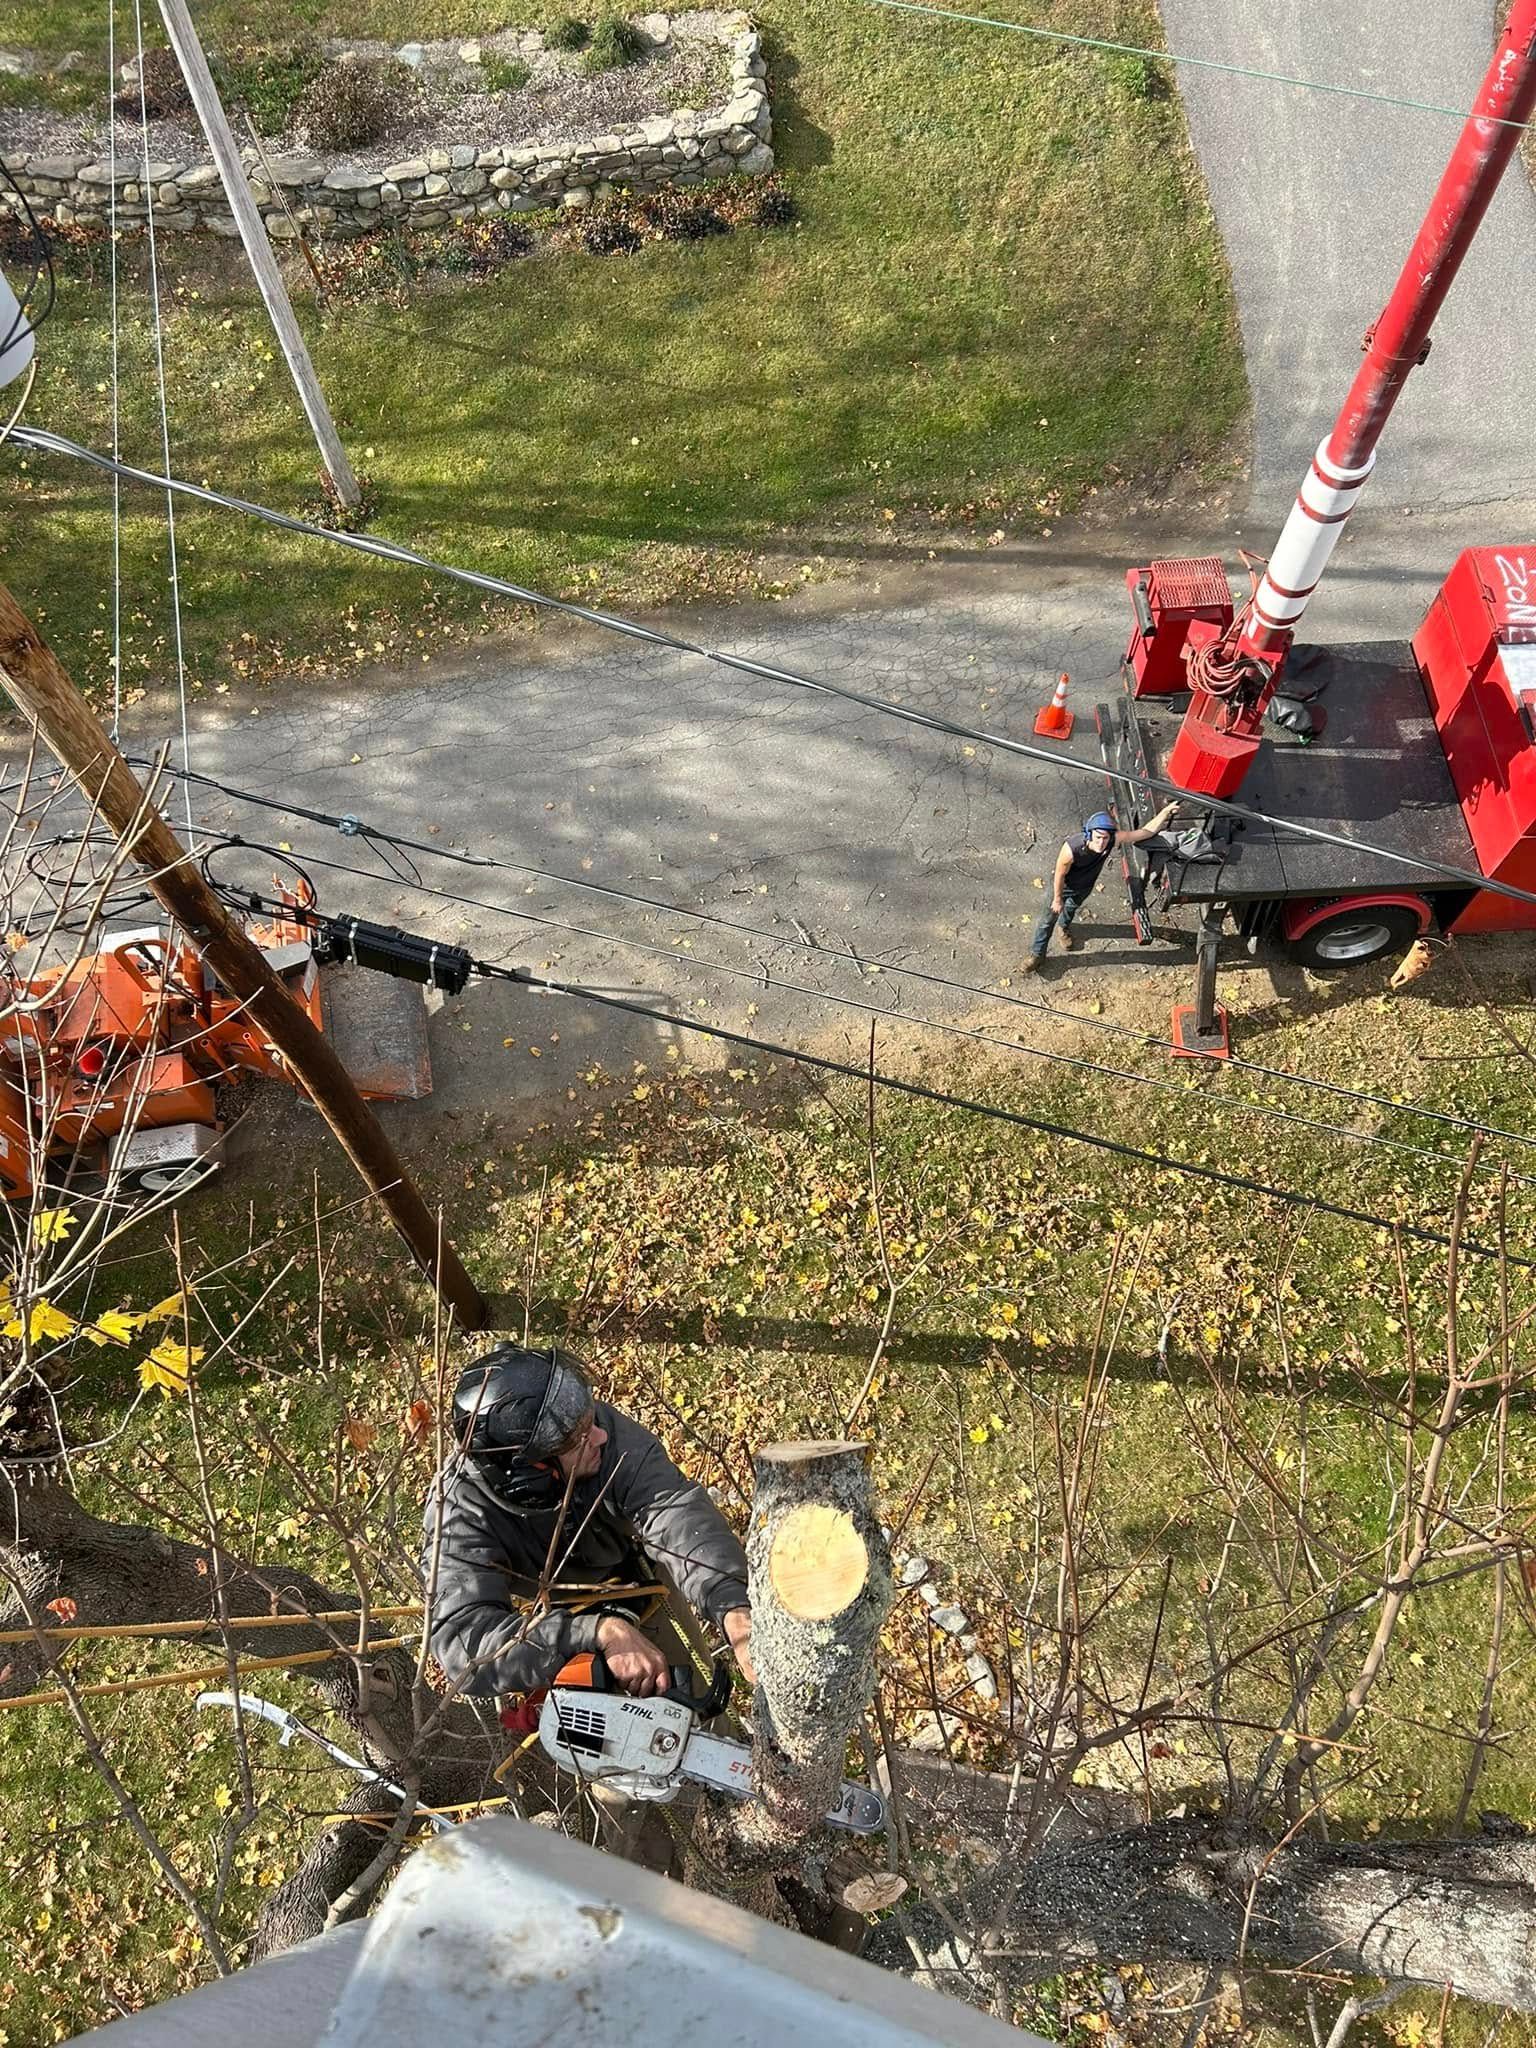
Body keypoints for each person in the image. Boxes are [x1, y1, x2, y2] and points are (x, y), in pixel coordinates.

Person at [422, 1344, 754, 1702]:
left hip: (639, 1581)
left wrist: (732, 1606)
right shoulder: (458, 1513)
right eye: (577, 1439)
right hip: (548, 1624)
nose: (599, 1436)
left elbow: (673, 1511)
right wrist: (595, 1632)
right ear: (530, 1471)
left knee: (697, 1705)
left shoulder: (596, 1428)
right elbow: (466, 1647)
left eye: (589, 1421)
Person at [1023, 803, 1179, 970]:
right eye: (1098, 837)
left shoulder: (1112, 839)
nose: (1101, 842)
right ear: (1089, 835)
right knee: (1048, 920)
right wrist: (1057, 898)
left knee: (1072, 907)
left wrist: (1165, 812)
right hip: (1064, 886)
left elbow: (1145, 832)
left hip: (1085, 885)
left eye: (1105, 838)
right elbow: (1060, 875)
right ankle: (1037, 954)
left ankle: (1064, 927)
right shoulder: (1071, 849)